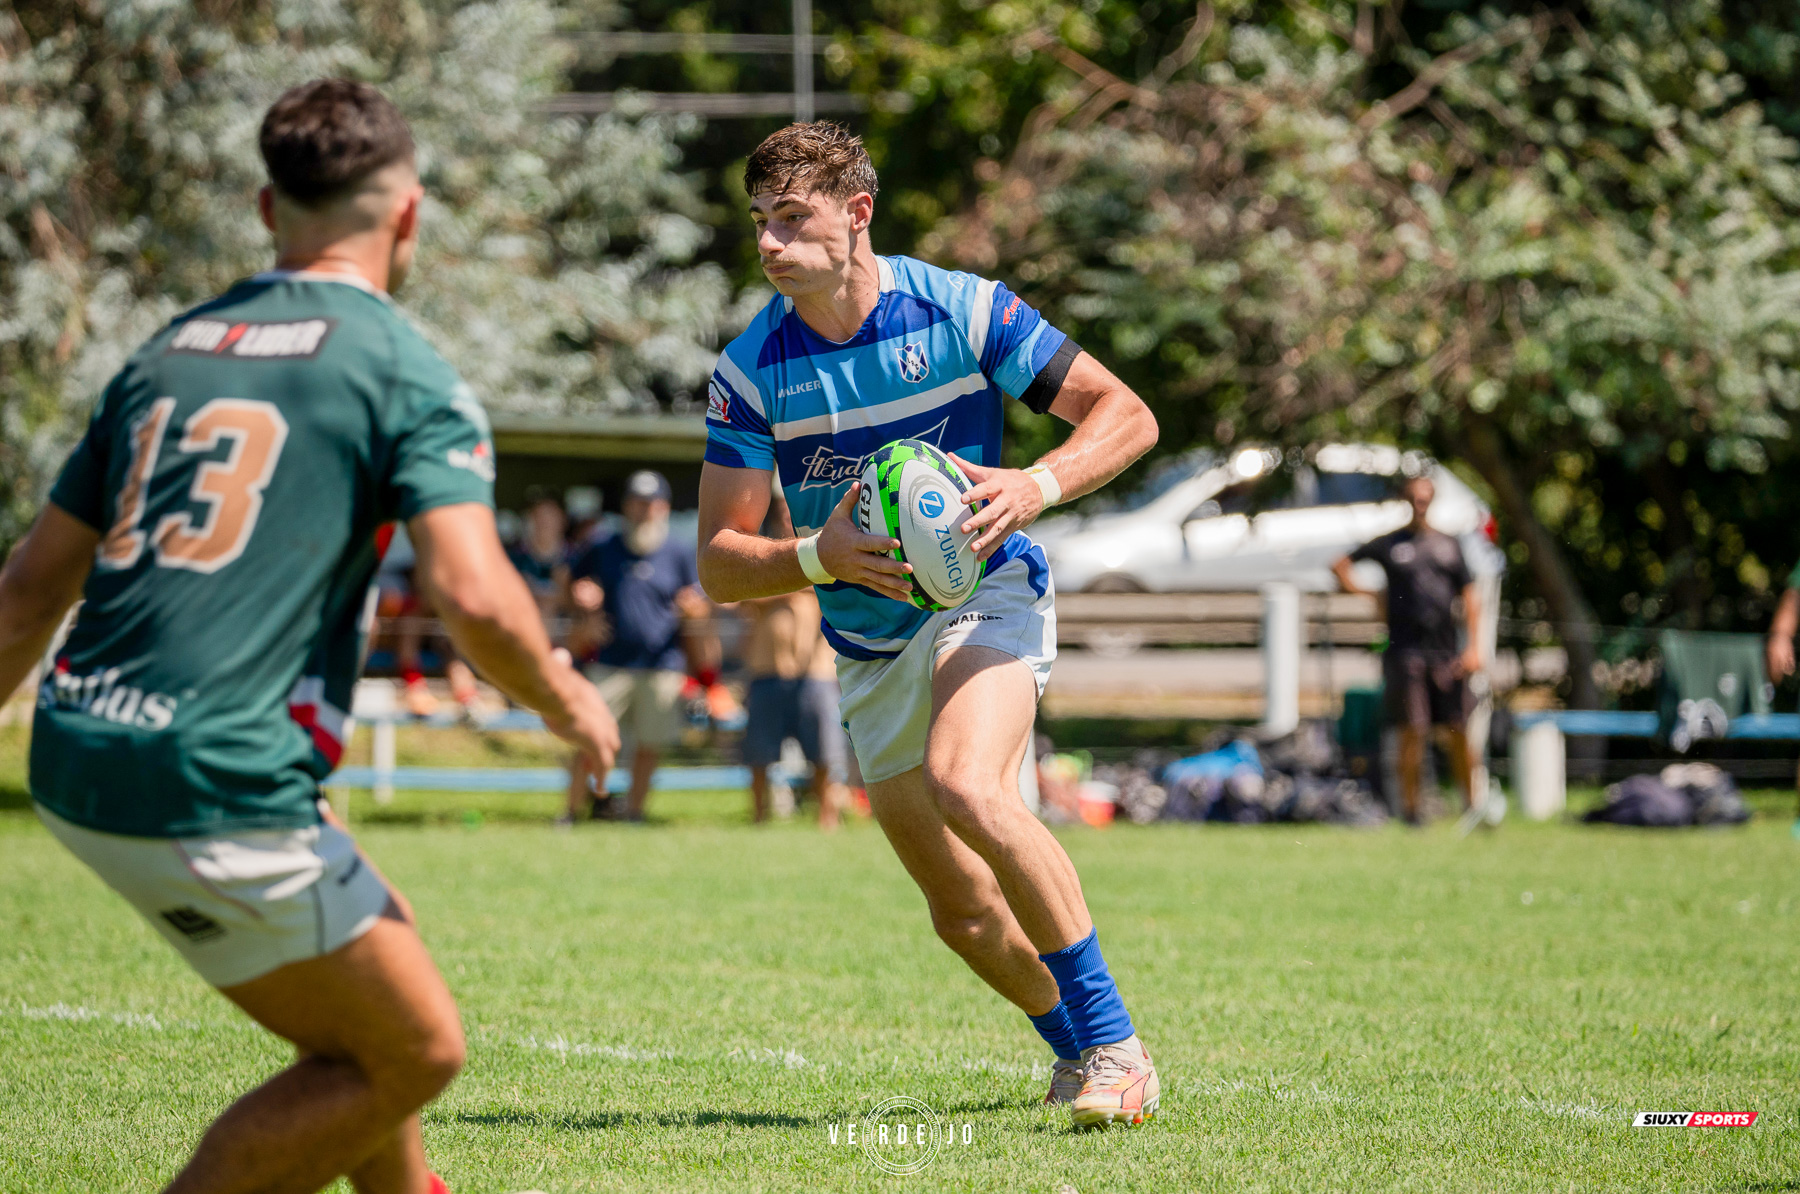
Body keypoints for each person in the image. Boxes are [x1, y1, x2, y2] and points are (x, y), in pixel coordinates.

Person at [3, 79, 619, 1194]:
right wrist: (570, 703)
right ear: (409, 216)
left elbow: (25, 593)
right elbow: (474, 598)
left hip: (78, 747)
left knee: (381, 948)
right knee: (412, 1049)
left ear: (263, 209)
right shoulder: (400, 367)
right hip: (213, 774)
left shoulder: (166, 356)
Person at [697, 123, 1162, 1128]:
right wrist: (821, 555)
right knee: (959, 914)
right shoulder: (749, 371)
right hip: (867, 646)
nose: (770, 245)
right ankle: (1076, 1053)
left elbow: (1125, 414)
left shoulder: (962, 311)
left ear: (858, 214)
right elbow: (720, 564)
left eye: (792, 219)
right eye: (759, 224)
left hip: (984, 594)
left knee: (969, 784)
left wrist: (1037, 484)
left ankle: (1121, 1049)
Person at [1332, 473, 1483, 824]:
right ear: (1405, 500)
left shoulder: (1449, 545)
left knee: (1458, 729)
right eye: (1414, 498)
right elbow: (1340, 564)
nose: (1419, 504)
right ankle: (1412, 813)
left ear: (1432, 501)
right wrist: (1371, 597)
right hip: (1405, 653)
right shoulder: (1389, 544)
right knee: (1412, 730)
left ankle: (1473, 808)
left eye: (1425, 498)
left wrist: (1474, 647)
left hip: (1447, 653)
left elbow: (1471, 596)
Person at [562, 469, 708, 823]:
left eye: (653, 503)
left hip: (662, 664)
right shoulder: (602, 545)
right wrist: (581, 606)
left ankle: (634, 812)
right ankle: (570, 812)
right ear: (626, 507)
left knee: (649, 747)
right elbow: (568, 584)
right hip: (608, 661)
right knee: (591, 740)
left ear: (665, 507)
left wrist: (693, 609)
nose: (646, 510)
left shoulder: (678, 551)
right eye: (639, 503)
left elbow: (701, 602)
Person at [739, 489, 848, 829]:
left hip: (816, 673)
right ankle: (759, 818)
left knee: (825, 754)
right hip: (767, 670)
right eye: (782, 509)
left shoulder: (829, 550)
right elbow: (739, 596)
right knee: (759, 753)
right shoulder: (764, 553)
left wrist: (775, 588)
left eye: (793, 509)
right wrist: (800, 582)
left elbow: (840, 592)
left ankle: (827, 820)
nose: (787, 515)